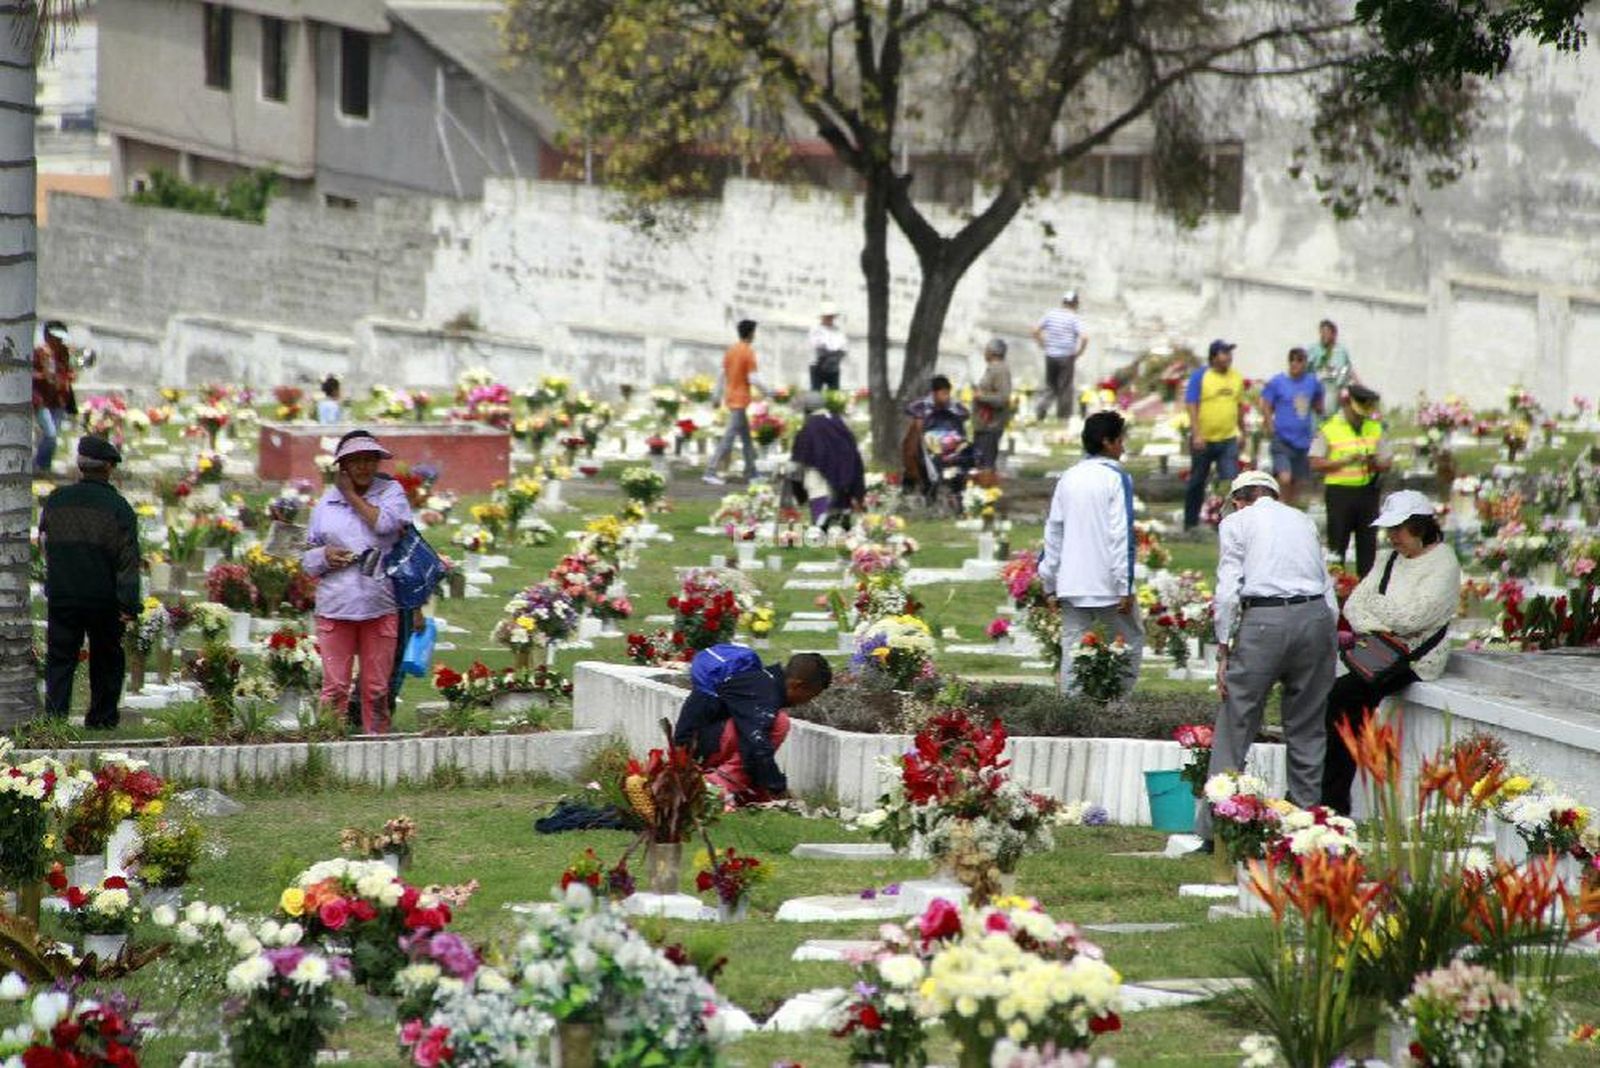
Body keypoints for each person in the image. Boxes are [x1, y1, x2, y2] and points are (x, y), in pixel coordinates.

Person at [1196, 470, 1336, 843]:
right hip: (1316, 618)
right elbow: (1326, 585)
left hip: (1264, 622)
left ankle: (1217, 828)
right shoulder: (1302, 520)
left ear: (1240, 500)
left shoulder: (1237, 521)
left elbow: (1228, 592)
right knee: (1307, 725)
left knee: (1236, 719)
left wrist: (1223, 648)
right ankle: (1306, 825)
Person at [1320, 491, 1459, 815]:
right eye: (1390, 529)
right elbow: (1354, 606)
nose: (1393, 536)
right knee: (1338, 701)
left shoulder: (1443, 563)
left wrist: (1380, 615)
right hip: (1379, 647)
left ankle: (1333, 800)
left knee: (1345, 696)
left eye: (1400, 528)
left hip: (1415, 656)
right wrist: (1385, 624)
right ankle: (1329, 796)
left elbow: (1415, 619)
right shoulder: (1388, 560)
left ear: (1421, 526)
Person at [302, 430, 413, 734]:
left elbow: (385, 524)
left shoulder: (391, 494)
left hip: (380, 604)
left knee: (376, 689)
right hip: (336, 605)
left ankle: (376, 751)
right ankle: (326, 748)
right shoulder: (325, 505)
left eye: (369, 460)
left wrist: (351, 495)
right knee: (335, 687)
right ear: (344, 467)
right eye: (356, 461)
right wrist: (325, 556)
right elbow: (307, 559)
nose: (364, 467)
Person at [1038, 410, 1143, 695]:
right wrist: (1125, 585)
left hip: (1071, 581)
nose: (1123, 446)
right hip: (1108, 582)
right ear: (1108, 442)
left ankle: (1072, 710)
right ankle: (1117, 703)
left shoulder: (1068, 477)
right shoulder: (1116, 478)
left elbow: (1053, 533)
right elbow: (1121, 534)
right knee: (1129, 639)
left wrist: (1048, 583)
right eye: (1120, 440)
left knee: (1072, 647)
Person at [39, 436, 140, 729]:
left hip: (63, 594)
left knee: (60, 658)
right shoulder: (118, 508)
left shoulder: (57, 500)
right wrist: (129, 604)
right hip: (103, 598)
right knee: (106, 659)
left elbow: (45, 545)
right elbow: (127, 560)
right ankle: (101, 719)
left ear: (80, 465)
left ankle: (55, 718)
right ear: (108, 468)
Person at [672, 650, 833, 805]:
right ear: (797, 685)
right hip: (691, 748)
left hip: (698, 740)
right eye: (809, 696)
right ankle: (715, 785)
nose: (805, 702)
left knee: (759, 734)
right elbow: (756, 745)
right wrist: (777, 787)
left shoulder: (762, 679)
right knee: (778, 724)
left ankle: (740, 790)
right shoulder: (765, 693)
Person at [1310, 383, 1391, 577]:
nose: (1361, 416)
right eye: (1358, 412)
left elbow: (1387, 462)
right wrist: (1342, 462)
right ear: (1347, 404)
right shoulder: (1328, 429)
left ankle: (1367, 594)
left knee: (1368, 548)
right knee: (1337, 547)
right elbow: (1315, 462)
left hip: (1368, 493)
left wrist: (1375, 463)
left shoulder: (1375, 428)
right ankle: (1337, 591)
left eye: (1365, 412)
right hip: (1340, 494)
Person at [1183, 339, 1246, 530]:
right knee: (1197, 481)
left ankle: (1230, 522)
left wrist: (1242, 431)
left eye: (1229, 353)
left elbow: (1239, 406)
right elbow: (1191, 405)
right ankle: (1191, 522)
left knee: (1231, 481)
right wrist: (1196, 434)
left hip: (1228, 438)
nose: (1229, 357)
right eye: (1225, 352)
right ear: (1213, 356)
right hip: (1204, 439)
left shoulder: (1236, 377)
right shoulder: (1201, 376)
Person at [789, 392, 866, 528]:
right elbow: (853, 450)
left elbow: (798, 461)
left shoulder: (809, 427)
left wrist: (796, 488)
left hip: (821, 478)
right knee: (839, 509)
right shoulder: (839, 422)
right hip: (845, 477)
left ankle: (821, 526)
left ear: (807, 409)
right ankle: (842, 523)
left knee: (813, 481)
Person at [1259, 347, 1325, 505]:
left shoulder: (1311, 382)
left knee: (1297, 482)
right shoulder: (1278, 382)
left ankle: (1287, 509)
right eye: (1292, 360)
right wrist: (1270, 425)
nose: (1295, 364)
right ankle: (1277, 505)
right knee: (1285, 478)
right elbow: (1266, 403)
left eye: (1299, 360)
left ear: (1305, 363)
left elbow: (1319, 400)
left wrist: (1318, 413)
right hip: (1282, 439)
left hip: (1303, 441)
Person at [704, 318, 762, 486]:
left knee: (746, 438)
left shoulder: (731, 351)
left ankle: (752, 472)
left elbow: (722, 375)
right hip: (740, 399)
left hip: (732, 398)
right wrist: (769, 391)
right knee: (728, 438)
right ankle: (710, 471)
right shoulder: (748, 352)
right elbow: (753, 378)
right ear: (751, 333)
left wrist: (716, 396)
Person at [906, 375, 973, 497]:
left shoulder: (955, 406)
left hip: (950, 444)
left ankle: (958, 495)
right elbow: (918, 428)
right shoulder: (922, 406)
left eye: (948, 393)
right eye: (943, 393)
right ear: (934, 393)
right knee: (919, 458)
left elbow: (962, 421)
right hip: (928, 445)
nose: (946, 397)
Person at [1031, 290, 1088, 420]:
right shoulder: (1074, 318)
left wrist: (1042, 344)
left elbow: (1035, 330)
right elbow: (1084, 337)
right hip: (1066, 357)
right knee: (1065, 388)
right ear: (1075, 304)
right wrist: (1079, 352)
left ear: (1063, 302)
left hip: (1050, 355)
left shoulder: (1051, 314)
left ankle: (1041, 409)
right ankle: (1063, 416)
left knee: (1050, 386)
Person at [32, 321, 76, 473]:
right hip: (42, 401)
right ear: (47, 336)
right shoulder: (38, 353)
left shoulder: (65, 353)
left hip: (59, 401)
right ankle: (40, 465)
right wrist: (44, 376)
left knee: (53, 436)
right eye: (54, 338)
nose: (58, 341)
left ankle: (44, 466)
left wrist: (67, 378)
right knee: (49, 434)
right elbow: (29, 374)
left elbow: (70, 372)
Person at [971, 338, 1013, 479]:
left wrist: (981, 396)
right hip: (984, 423)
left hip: (991, 424)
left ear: (992, 352)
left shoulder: (1000, 370)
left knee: (986, 464)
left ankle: (985, 494)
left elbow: (1003, 397)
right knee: (980, 461)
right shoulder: (992, 368)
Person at [1306, 319, 1358, 404]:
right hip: (1317, 392)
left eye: (1326, 332)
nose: (1323, 335)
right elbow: (1305, 369)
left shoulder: (1341, 351)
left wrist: (1360, 386)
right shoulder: (1313, 350)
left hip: (1336, 392)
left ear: (1334, 334)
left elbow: (1348, 370)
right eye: (1321, 332)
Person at [807, 302, 848, 391]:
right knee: (816, 393)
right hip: (818, 365)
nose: (830, 318)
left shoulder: (838, 330)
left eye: (831, 316)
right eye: (827, 316)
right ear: (822, 317)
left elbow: (843, 346)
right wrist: (832, 349)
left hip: (834, 365)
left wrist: (836, 351)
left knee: (834, 392)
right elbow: (818, 345)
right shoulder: (816, 329)